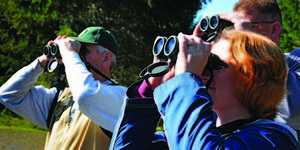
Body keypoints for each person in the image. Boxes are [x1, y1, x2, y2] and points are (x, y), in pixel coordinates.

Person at [110, 29, 299, 149]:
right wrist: (150, 89)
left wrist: (186, 80)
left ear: (254, 78)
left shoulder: (273, 139)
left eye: (214, 64)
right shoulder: (178, 137)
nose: (203, 73)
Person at [0, 26, 127, 149]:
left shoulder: (122, 99)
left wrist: (70, 53)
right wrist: (42, 62)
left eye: (82, 51)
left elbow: (86, 95)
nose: (76, 56)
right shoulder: (63, 97)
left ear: (106, 58)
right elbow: (8, 95)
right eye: (76, 51)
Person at [205, 0, 300, 143]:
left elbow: (293, 113)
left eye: (248, 25)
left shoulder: (295, 60)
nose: (234, 34)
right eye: (231, 28)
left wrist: (247, 42)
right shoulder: (228, 69)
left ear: (274, 30)